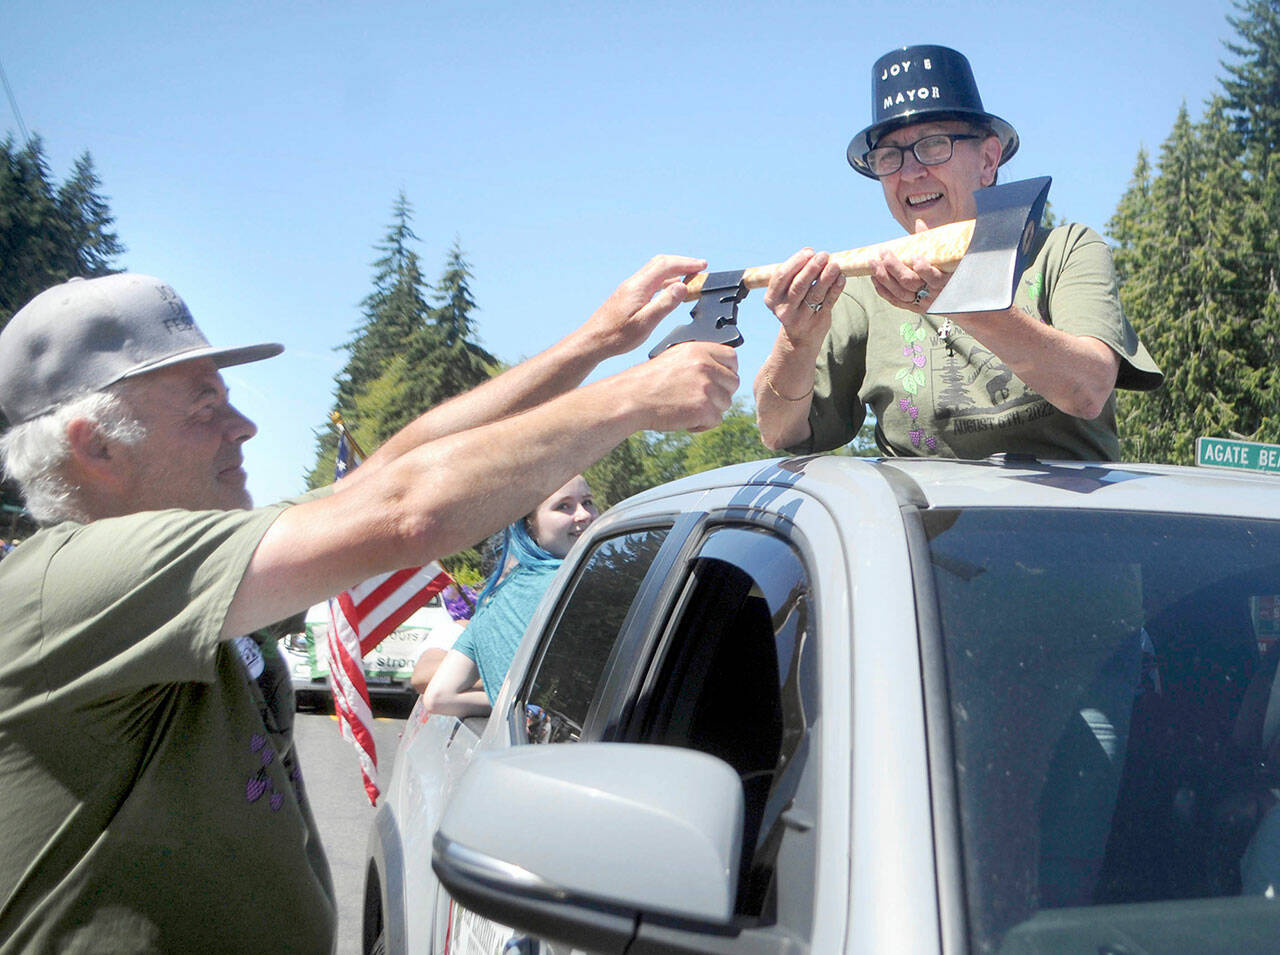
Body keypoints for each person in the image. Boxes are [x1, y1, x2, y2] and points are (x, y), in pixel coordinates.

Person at [0, 261, 736, 953]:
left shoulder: (163, 576)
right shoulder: (70, 583)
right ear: (94, 446)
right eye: (204, 408)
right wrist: (633, 397)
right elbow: (404, 509)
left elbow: (390, 470)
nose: (243, 426)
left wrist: (599, 342)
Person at [754, 44, 1163, 461]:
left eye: (933, 146)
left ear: (988, 159)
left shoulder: (1063, 250)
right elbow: (779, 432)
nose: (911, 172)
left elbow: (1088, 389)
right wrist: (796, 343)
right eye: (889, 156)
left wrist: (964, 304)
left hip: (1063, 519)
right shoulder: (861, 289)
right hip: (919, 522)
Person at [422, 474, 597, 715]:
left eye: (587, 502)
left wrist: (512, 704)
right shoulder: (579, 582)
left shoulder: (492, 601)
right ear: (529, 524)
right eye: (563, 506)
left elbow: (439, 697)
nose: (584, 514)